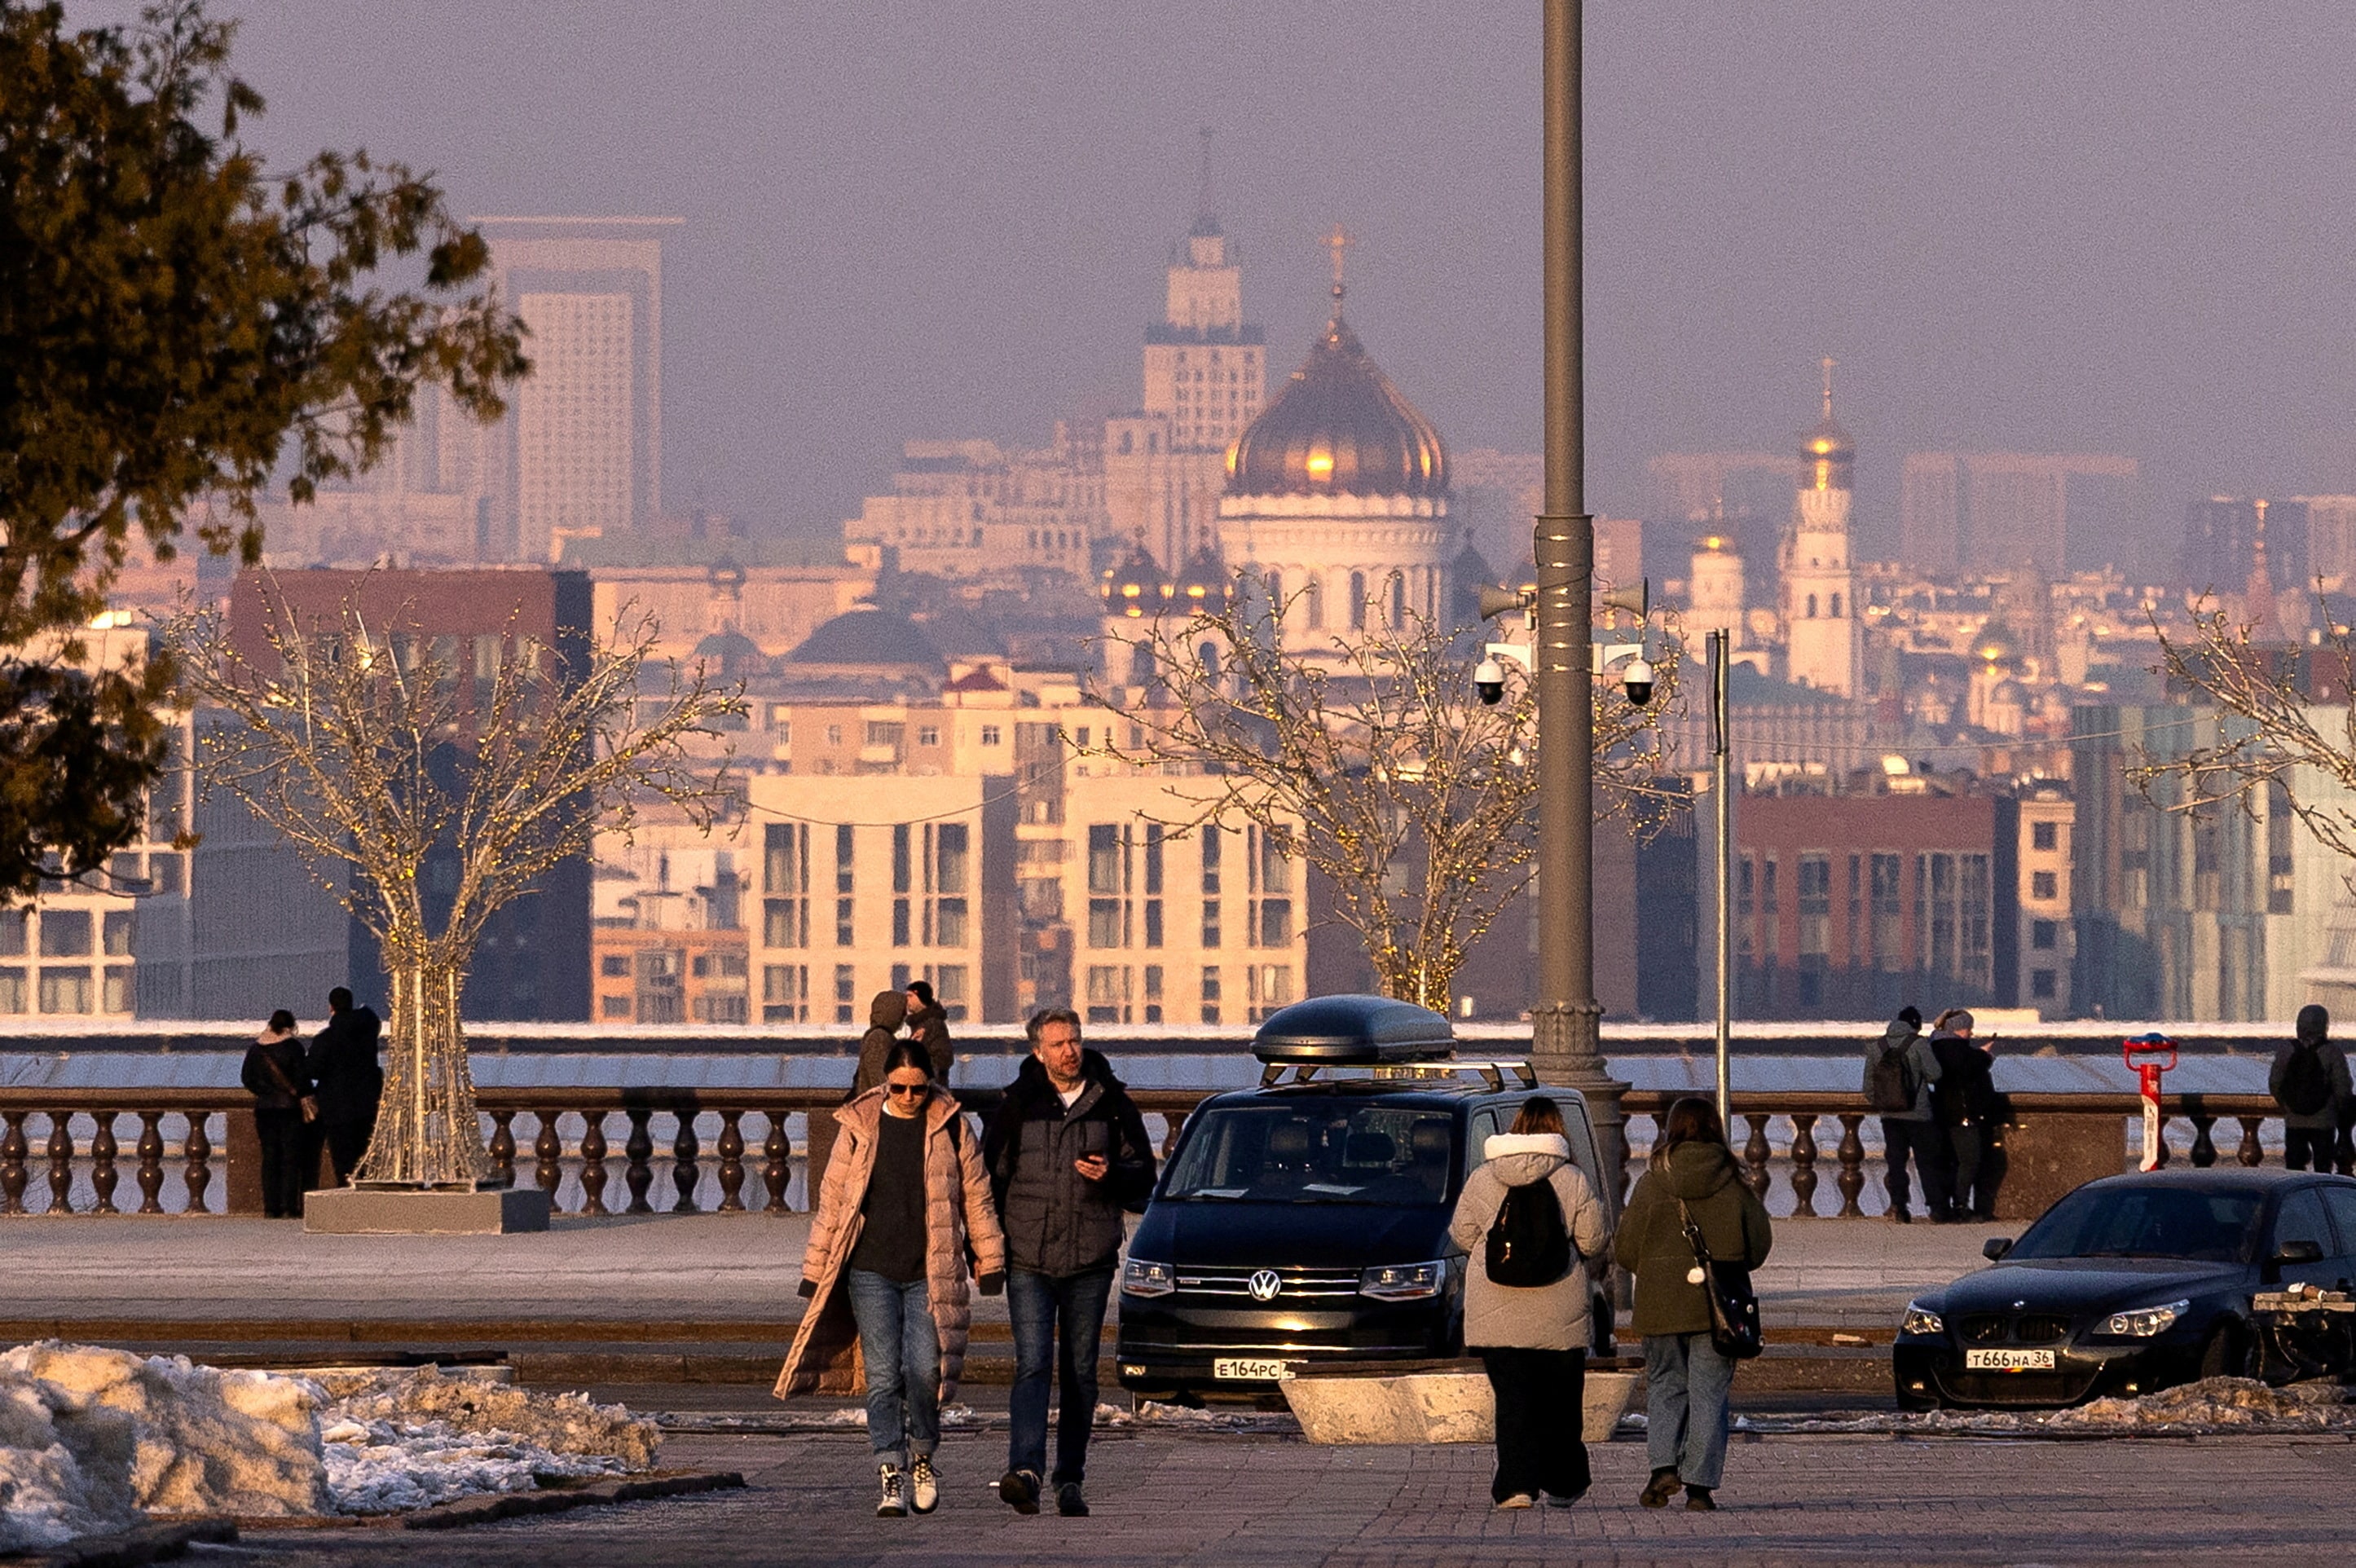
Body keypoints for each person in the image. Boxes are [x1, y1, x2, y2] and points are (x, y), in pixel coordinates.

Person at [775, 1040, 1006, 1519]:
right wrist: (814, 1270)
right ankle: (890, 1472)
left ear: (930, 1084)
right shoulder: (859, 1127)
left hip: (930, 1271)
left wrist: (991, 1259)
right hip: (869, 1270)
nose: (907, 1097)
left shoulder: (952, 1125)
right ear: (885, 1083)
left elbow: (977, 1199)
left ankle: (922, 1455)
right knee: (882, 1378)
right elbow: (834, 1200)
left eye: (917, 1089)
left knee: (925, 1371)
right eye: (898, 1087)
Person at [982, 1006, 1156, 1518]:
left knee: (1080, 1372)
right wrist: (982, 1249)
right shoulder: (1017, 1105)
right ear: (1038, 1051)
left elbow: (1144, 1180)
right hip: (1029, 1257)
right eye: (1058, 1043)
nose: (1070, 1051)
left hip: (1090, 1258)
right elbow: (991, 1180)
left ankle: (1070, 1478)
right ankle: (1026, 1471)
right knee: (1032, 1364)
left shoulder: (1112, 1103)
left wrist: (1112, 1175)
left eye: (1075, 1040)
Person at [1445, 1097, 1610, 1510]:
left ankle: (1516, 1486)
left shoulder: (1485, 1178)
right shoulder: (1570, 1178)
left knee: (1513, 1401)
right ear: (1558, 1132)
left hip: (1496, 1311)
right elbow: (1594, 1240)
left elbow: (1462, 1235)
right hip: (1560, 1310)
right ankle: (1563, 1483)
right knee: (1561, 1401)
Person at [1615, 1097, 1772, 1513]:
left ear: (1671, 1130)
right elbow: (1757, 1249)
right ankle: (1699, 1487)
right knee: (1708, 1394)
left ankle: (1662, 1465)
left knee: (1665, 1387)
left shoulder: (1651, 1184)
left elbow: (1626, 1250)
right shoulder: (1735, 1184)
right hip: (1718, 1309)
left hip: (1660, 1304)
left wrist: (1657, 1269)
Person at [1869, 1006, 1949, 1223]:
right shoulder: (1919, 1044)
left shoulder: (1877, 1046)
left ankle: (1899, 1207)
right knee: (1927, 1162)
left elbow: (1869, 1089)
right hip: (1918, 1114)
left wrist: (1884, 1103)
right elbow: (1935, 1074)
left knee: (1895, 1162)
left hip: (1889, 1115)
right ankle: (1937, 1208)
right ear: (1916, 1025)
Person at [1929, 1009, 2003, 1222]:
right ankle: (1960, 1206)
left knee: (1954, 1161)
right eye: (1968, 1029)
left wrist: (1979, 1054)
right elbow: (1967, 1068)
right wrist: (1984, 1055)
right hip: (1961, 1114)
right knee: (1969, 1160)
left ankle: (1951, 1206)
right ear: (1958, 1029)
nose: (1971, 1033)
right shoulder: (1952, 1048)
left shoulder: (1938, 1046)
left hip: (1947, 1113)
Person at [305, 987, 383, 1185]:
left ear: (331, 1007)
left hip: (336, 1107)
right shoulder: (367, 1031)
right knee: (364, 1156)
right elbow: (372, 1018)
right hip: (367, 1104)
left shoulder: (325, 1039)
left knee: (343, 1161)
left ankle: (346, 1198)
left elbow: (312, 1070)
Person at [240, 1010, 315, 1219]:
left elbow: (247, 1078)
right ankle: (289, 1205)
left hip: (265, 1110)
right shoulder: (293, 1047)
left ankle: (270, 1206)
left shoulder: (256, 1049)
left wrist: (266, 1093)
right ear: (290, 1026)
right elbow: (303, 1079)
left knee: (270, 1158)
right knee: (291, 1158)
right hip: (290, 1110)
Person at [2271, 1004, 2351, 1172]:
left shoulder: (2287, 1050)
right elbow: (2343, 1088)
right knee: (2323, 1167)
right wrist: (2339, 1108)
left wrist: (2286, 1105)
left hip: (2294, 1119)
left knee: (2294, 1168)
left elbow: (2275, 1083)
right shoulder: (2331, 1052)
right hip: (2323, 1120)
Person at [848, 989, 912, 1098]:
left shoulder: (879, 1036)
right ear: (892, 1013)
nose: (903, 1017)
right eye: (901, 1013)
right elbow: (881, 1080)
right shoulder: (879, 1039)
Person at [904, 979, 954, 1084]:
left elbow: (944, 1058)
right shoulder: (918, 1024)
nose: (907, 1000)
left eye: (910, 996)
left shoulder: (934, 1025)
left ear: (921, 998)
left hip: (929, 1089)